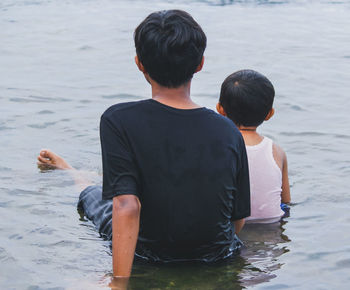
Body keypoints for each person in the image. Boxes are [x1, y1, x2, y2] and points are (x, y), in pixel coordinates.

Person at [37, 10, 251, 279]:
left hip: (148, 253)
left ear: (139, 63)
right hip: (217, 252)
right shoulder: (228, 129)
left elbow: (127, 206)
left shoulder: (118, 120)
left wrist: (119, 283)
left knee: (93, 196)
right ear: (200, 64)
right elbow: (238, 217)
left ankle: (75, 175)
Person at [216, 69, 291, 224]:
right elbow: (286, 201)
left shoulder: (217, 146)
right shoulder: (277, 151)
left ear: (220, 110)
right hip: (272, 232)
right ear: (269, 114)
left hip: (231, 232)